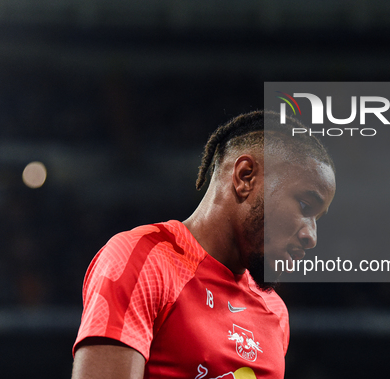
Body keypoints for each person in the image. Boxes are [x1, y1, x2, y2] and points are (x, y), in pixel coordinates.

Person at [71, 110, 336, 379]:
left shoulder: (275, 311)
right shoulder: (143, 258)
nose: (311, 236)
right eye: (305, 206)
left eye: (318, 218)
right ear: (245, 176)